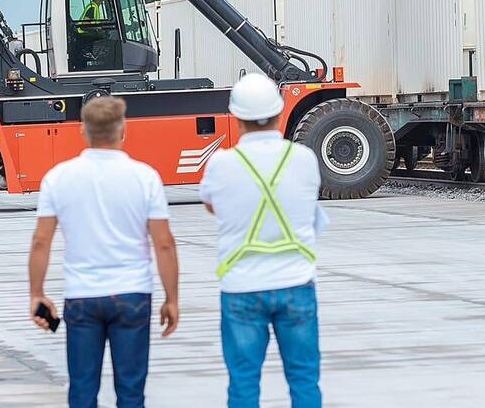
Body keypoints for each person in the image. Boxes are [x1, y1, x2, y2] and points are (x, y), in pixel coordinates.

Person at [28, 95, 180, 408]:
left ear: (83, 131)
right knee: (131, 393)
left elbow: (41, 241)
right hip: (133, 295)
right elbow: (163, 243)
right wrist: (172, 298)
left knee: (82, 391)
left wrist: (37, 294)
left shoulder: (58, 177)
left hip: (82, 296)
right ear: (122, 130)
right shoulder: (145, 177)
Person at [199, 73, 328, 408]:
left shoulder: (221, 164)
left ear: (236, 117)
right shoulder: (303, 159)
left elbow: (213, 205)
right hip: (295, 283)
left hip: (241, 287)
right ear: (280, 111)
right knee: (303, 379)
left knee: (243, 383)